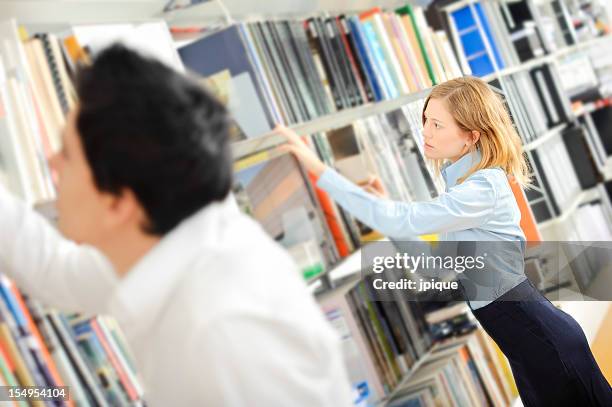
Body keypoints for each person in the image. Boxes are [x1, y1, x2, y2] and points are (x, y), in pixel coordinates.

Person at [0, 44, 353, 406]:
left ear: (120, 201)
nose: (51, 161)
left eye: (67, 154)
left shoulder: (223, 336)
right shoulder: (169, 242)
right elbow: (55, 271)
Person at [277, 76, 612, 406]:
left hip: (542, 342)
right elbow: (435, 268)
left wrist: (317, 170)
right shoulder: (466, 189)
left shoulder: (482, 190)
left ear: (471, 136)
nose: (425, 131)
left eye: (437, 124)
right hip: (526, 344)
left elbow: (402, 218)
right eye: (425, 120)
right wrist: (390, 218)